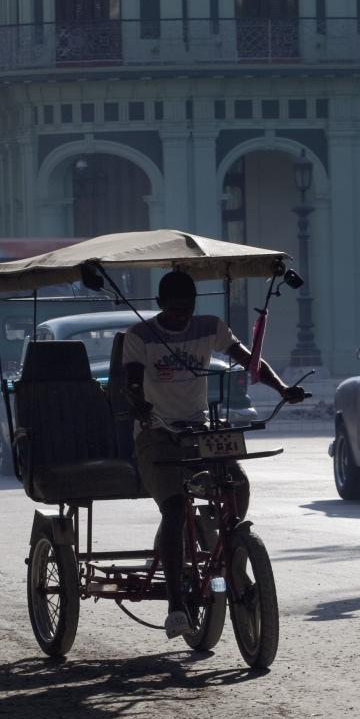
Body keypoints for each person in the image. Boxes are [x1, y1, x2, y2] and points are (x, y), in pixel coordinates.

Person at [121, 271, 307, 636]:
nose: (182, 315)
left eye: (187, 308)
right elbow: (130, 380)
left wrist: (283, 388)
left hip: (198, 429)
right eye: (174, 309)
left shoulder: (210, 327)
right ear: (160, 305)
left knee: (237, 483)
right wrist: (137, 402)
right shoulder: (139, 335)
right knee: (174, 508)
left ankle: (230, 549)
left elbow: (249, 360)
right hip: (156, 432)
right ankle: (176, 605)